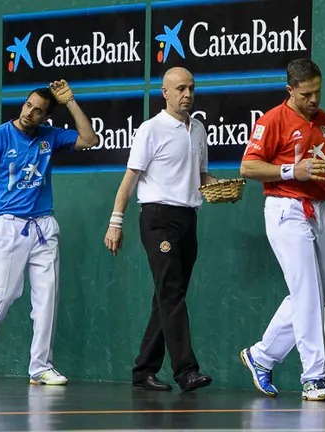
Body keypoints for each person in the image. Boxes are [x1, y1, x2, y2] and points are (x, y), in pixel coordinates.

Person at [0, 80, 99, 385]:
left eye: (37, 111)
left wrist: (71, 101)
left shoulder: (50, 137)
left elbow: (89, 139)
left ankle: (40, 367)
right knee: (2, 295)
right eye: (27, 106)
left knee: (47, 298)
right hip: (9, 225)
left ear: (46, 117)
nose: (29, 113)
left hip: (44, 227)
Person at [237, 58, 325, 401]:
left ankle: (262, 356)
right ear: (290, 90)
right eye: (306, 94)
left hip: (319, 209)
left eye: (318, 91)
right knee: (306, 293)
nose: (314, 100)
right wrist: (291, 171)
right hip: (286, 209)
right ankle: (315, 377)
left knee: (321, 293)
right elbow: (248, 166)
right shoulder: (272, 120)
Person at [104, 67, 216, 393]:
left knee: (168, 296)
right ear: (165, 93)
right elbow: (130, 178)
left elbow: (202, 176)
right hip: (158, 220)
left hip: (188, 219)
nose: (188, 94)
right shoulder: (150, 130)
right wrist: (115, 222)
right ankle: (186, 372)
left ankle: (143, 369)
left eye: (191, 88)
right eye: (180, 88)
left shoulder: (199, 130)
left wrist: (218, 186)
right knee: (171, 294)